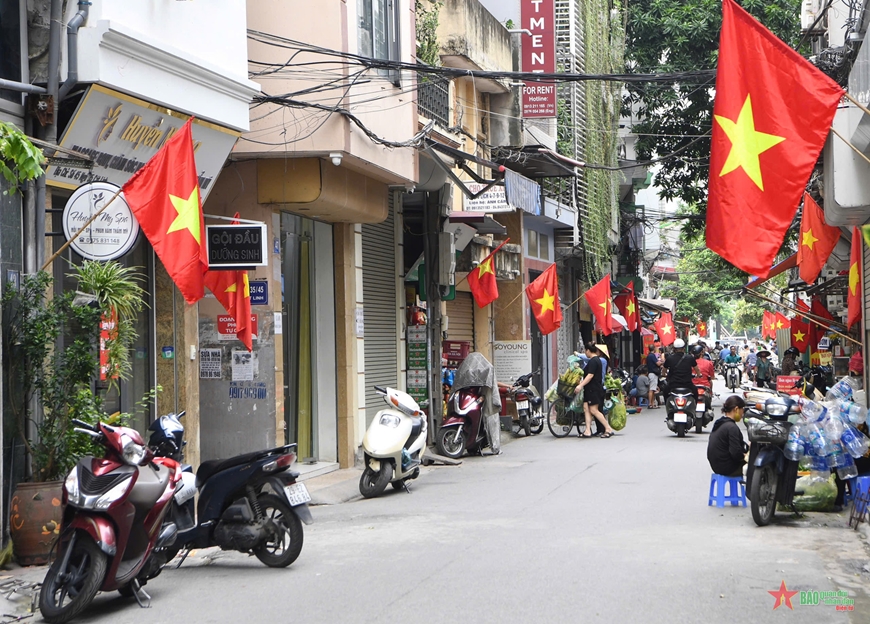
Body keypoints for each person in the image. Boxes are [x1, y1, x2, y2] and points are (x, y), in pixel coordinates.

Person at [574, 343, 616, 439]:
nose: (585, 353)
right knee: (586, 408)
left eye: (585, 351)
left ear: (588, 350)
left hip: (594, 389)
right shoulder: (595, 360)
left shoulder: (594, 361)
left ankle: (608, 428)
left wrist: (580, 385)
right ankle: (587, 430)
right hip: (589, 389)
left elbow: (590, 375)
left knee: (593, 410)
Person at [707, 395, 748, 477]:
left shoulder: (720, 423)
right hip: (727, 468)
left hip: (716, 466)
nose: (742, 414)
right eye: (742, 409)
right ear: (736, 409)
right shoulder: (732, 427)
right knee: (754, 467)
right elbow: (736, 453)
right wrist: (745, 456)